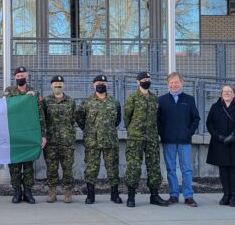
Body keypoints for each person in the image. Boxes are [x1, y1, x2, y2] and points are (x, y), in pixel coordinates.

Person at [3, 66, 47, 204]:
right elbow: (6, 107)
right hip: (14, 134)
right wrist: (23, 98)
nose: (20, 77)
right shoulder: (9, 91)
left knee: (28, 166)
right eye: (17, 75)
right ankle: (17, 191)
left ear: (27, 76)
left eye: (22, 75)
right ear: (15, 77)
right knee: (14, 166)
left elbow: (41, 115)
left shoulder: (34, 92)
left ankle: (28, 192)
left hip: (30, 134)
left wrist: (43, 135)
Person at [76, 74, 122, 205]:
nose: (101, 85)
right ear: (93, 85)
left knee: (113, 168)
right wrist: (89, 130)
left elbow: (118, 120)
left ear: (107, 85)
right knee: (91, 169)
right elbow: (80, 118)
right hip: (92, 141)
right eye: (98, 83)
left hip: (110, 141)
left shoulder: (114, 102)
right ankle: (90, 195)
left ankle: (115, 194)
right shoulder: (87, 102)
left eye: (103, 83)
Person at [124, 71, 167, 208]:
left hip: (152, 137)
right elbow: (127, 117)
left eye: (148, 79)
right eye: (144, 79)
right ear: (138, 82)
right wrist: (133, 130)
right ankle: (131, 196)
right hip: (136, 138)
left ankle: (154, 195)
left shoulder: (154, 98)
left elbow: (158, 117)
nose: (146, 81)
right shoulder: (132, 97)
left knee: (154, 166)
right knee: (134, 167)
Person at [157, 72, 201, 206]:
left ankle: (188, 196)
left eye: (176, 82)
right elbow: (158, 120)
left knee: (186, 169)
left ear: (182, 83)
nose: (174, 84)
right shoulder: (161, 100)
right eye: (171, 82)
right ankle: (174, 195)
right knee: (170, 169)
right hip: (168, 140)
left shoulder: (189, 99)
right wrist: (162, 134)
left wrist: (189, 133)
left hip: (184, 141)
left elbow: (196, 118)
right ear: (167, 84)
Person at [206, 84, 235, 207]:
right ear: (221, 94)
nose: (227, 93)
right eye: (224, 91)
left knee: (234, 169)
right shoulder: (215, 107)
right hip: (219, 143)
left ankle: (234, 195)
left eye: (229, 91)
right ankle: (226, 195)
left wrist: (233, 135)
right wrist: (218, 137)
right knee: (223, 169)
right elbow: (209, 124)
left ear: (234, 94)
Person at [42, 75, 76, 203]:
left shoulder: (71, 101)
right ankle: (52, 192)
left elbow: (74, 120)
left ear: (64, 85)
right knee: (51, 168)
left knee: (68, 168)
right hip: (51, 142)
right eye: (55, 83)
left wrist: (69, 135)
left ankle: (68, 192)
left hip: (67, 141)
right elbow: (43, 120)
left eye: (60, 83)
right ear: (51, 85)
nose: (58, 85)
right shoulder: (45, 102)